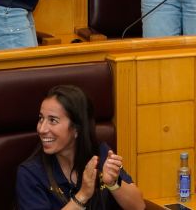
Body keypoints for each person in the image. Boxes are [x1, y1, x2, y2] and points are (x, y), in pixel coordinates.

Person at [16, 84, 145, 209]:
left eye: (53, 120)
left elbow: (139, 206)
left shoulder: (100, 153)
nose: (42, 129)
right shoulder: (30, 174)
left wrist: (113, 184)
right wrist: (82, 195)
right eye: (41, 118)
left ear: (77, 129)